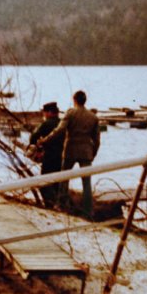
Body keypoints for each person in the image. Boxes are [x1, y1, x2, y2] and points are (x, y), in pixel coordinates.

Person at [40, 90, 100, 218]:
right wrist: (93, 153)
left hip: (70, 150)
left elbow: (60, 130)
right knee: (86, 182)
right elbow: (97, 139)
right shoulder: (93, 117)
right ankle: (88, 211)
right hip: (86, 151)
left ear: (74, 100)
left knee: (64, 178)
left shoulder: (71, 113)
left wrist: (46, 140)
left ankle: (62, 205)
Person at [29, 102, 65, 207]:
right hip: (63, 157)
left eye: (44, 112)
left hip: (50, 156)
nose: (43, 114)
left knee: (44, 182)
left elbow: (33, 137)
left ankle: (49, 204)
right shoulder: (63, 122)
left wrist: (35, 146)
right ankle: (58, 204)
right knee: (58, 182)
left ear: (49, 112)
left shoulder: (46, 123)